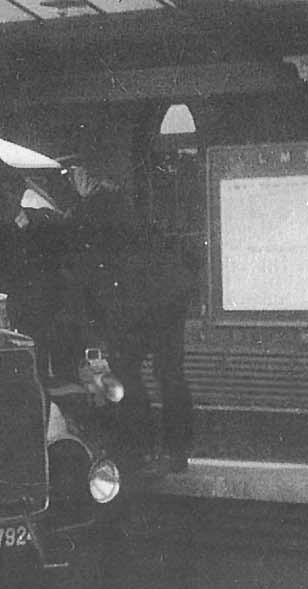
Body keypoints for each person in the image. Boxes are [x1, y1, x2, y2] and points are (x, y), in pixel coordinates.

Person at [65, 159, 195, 476]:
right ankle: (173, 453)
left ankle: (141, 449)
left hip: (141, 302)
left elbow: (86, 255)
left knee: (128, 373)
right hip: (160, 296)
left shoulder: (96, 205)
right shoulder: (122, 201)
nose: (73, 181)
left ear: (85, 176)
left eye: (75, 174)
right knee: (165, 373)